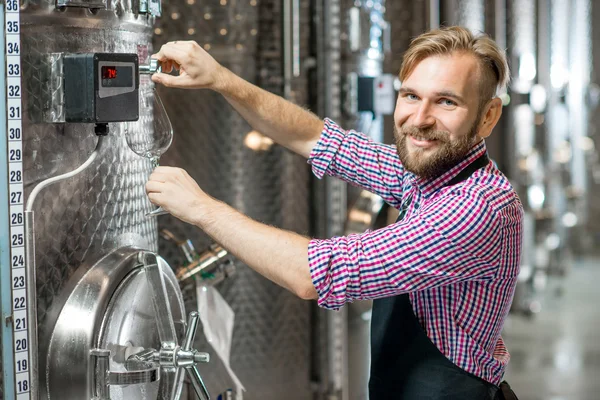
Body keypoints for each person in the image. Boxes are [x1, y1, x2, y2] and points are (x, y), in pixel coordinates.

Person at [146, 26, 522, 399]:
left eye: (446, 102)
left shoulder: (476, 208)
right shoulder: (428, 172)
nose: (419, 118)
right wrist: (221, 79)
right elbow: (317, 138)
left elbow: (317, 273)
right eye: (411, 96)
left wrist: (200, 208)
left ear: (488, 116)